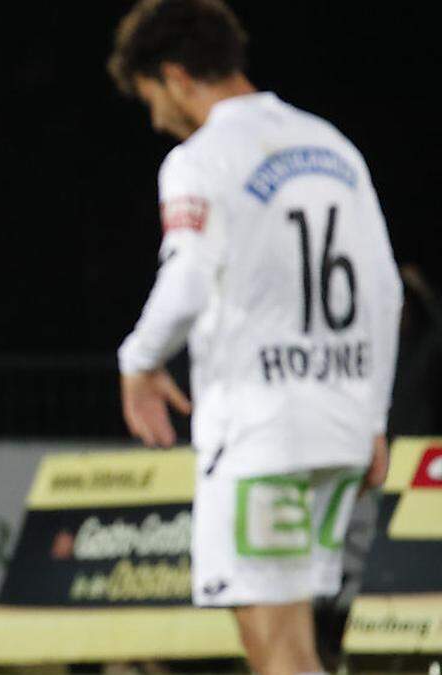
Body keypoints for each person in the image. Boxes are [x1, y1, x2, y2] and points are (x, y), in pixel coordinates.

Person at [107, 2, 403, 674]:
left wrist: (138, 361)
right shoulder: (332, 145)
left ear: (177, 76)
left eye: (152, 95)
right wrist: (374, 419)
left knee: (280, 656)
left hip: (262, 434)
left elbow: (186, 277)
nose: (155, 118)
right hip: (339, 430)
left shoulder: (202, 158)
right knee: (294, 648)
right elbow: (383, 290)